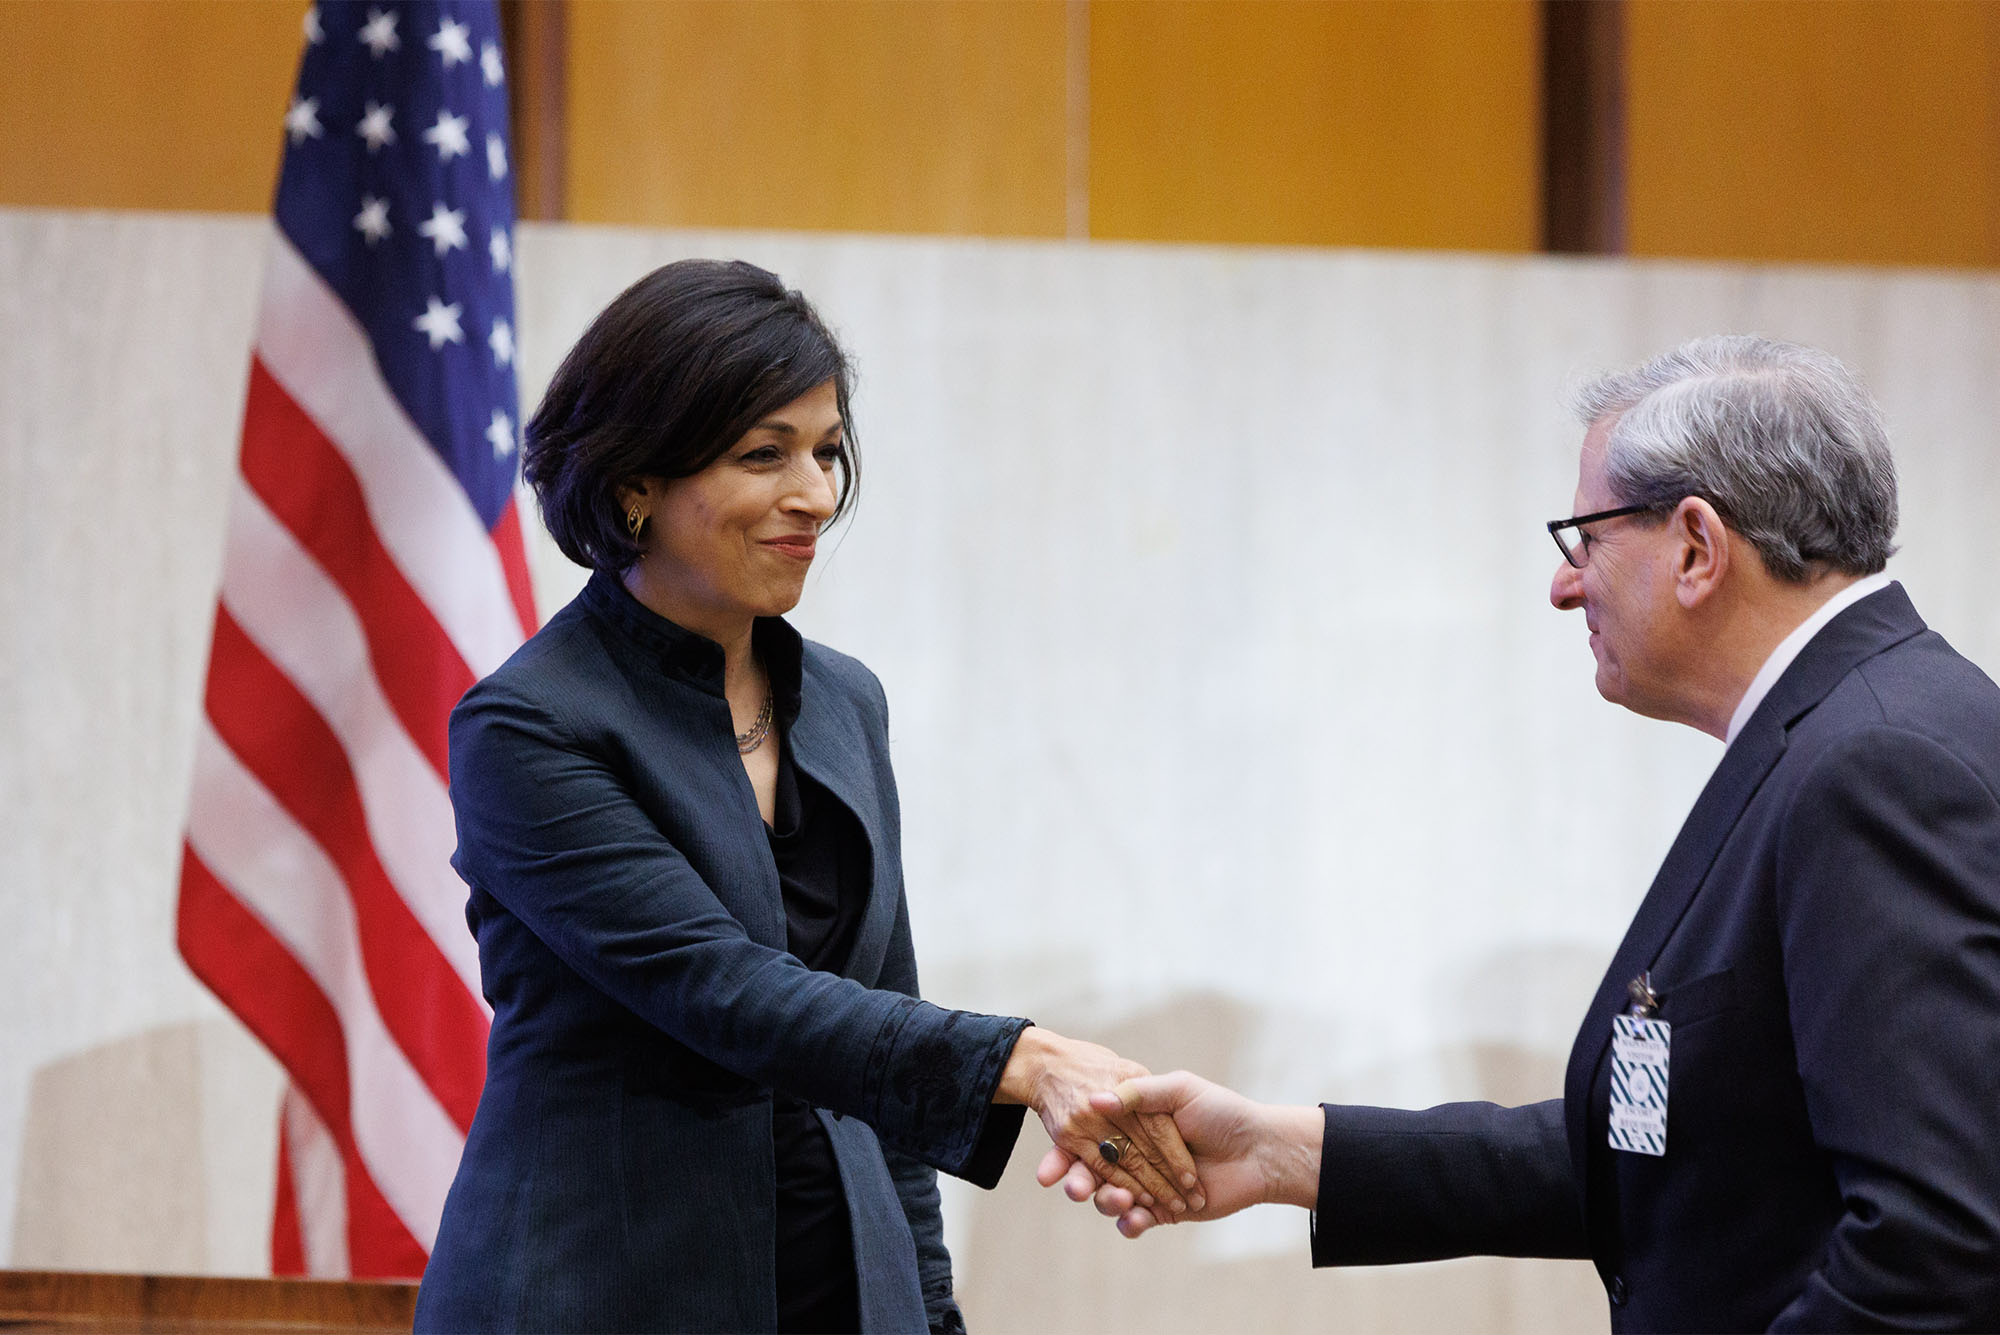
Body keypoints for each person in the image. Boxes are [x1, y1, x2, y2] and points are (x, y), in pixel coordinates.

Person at [1054, 336, 2000, 1332]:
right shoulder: (1850, 728)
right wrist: (1284, 1153)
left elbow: (1936, 1242)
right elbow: (1683, 1141)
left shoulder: (1873, 765)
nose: (1563, 585)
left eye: (1584, 538)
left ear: (1694, 548)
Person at [414, 259, 1200, 1335]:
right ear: (634, 482)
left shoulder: (840, 701)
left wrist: (930, 1312)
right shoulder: (527, 726)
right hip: (600, 1284)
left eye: (826, 450)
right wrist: (1025, 1058)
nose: (815, 494)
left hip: (840, 1284)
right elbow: (725, 993)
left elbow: (879, 1027)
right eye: (763, 454)